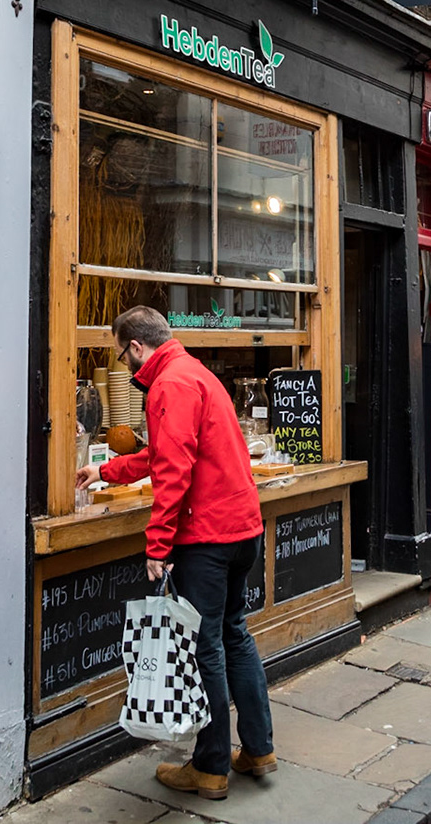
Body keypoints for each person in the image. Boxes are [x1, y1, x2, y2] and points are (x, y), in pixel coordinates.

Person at [77, 307, 273, 801]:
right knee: (234, 635)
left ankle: (209, 770)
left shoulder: (168, 385)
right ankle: (257, 749)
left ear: (136, 347)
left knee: (206, 648)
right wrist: (108, 471)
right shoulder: (196, 374)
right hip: (243, 530)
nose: (124, 366)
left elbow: (174, 473)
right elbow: (167, 453)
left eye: (123, 356)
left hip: (207, 538)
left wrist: (158, 545)